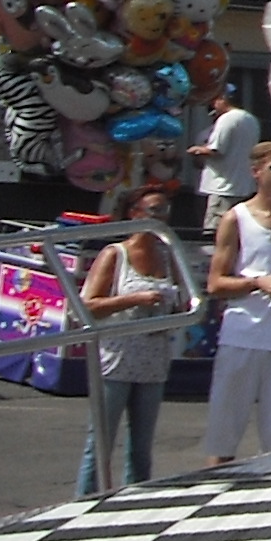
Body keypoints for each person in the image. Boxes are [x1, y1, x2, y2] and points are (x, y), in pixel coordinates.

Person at [76, 185, 189, 495]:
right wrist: (134, 299)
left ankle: (136, 501)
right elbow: (87, 307)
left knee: (141, 446)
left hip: (153, 361)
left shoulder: (168, 255)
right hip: (117, 359)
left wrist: (170, 317)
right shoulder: (115, 255)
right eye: (154, 210)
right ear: (134, 213)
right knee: (100, 441)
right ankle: (84, 501)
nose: (161, 217)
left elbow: (186, 302)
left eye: (165, 210)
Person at [203, 145, 271, 465]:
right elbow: (215, 284)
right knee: (223, 436)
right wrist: (257, 283)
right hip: (241, 337)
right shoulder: (236, 218)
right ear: (256, 172)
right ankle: (213, 489)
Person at [190, 98, 260, 237]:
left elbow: (216, 150)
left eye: (213, 104)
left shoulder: (226, 119)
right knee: (237, 234)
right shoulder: (251, 119)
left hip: (222, 187)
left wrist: (197, 150)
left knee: (216, 233)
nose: (213, 111)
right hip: (244, 187)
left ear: (221, 100)